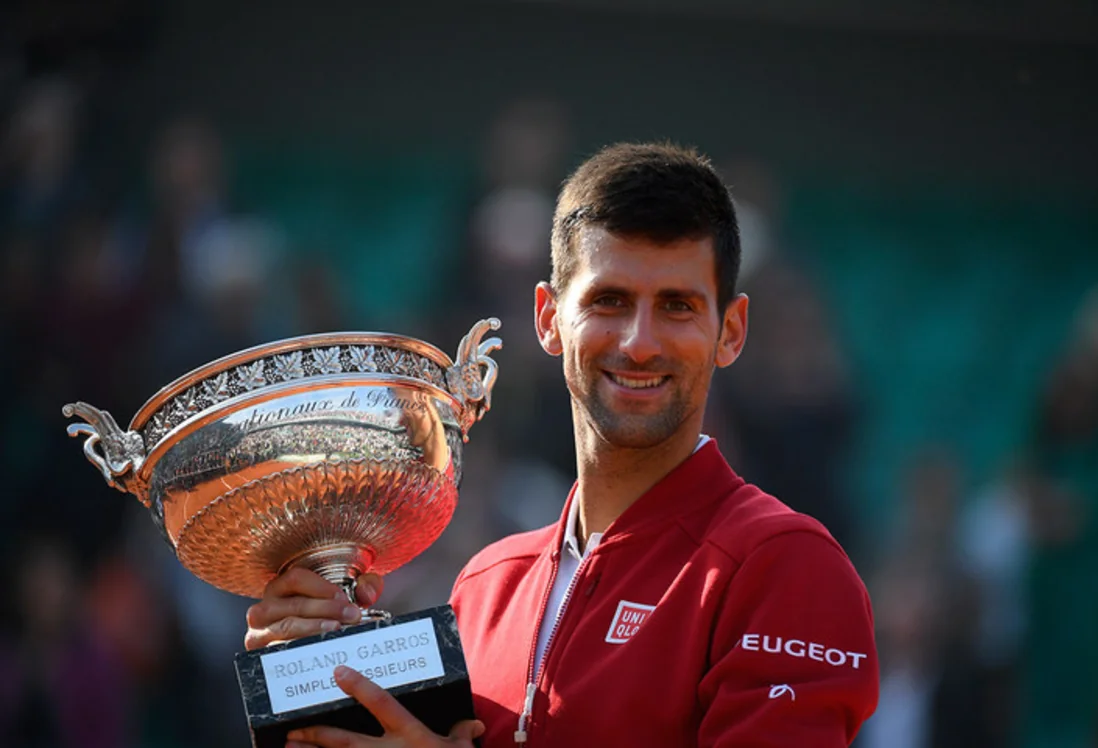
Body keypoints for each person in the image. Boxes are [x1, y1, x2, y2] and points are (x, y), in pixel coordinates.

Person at [245, 142, 879, 747]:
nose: (639, 342)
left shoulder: (784, 568)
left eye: (678, 306)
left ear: (731, 331)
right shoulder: (485, 588)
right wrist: (310, 672)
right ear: (548, 318)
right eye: (609, 300)